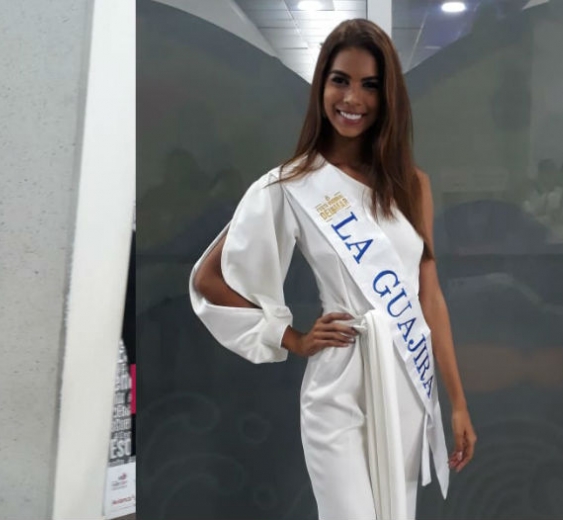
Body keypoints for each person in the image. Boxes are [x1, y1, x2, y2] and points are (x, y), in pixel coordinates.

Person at [189, 19, 476, 520]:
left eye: (370, 85)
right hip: (338, 382)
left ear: (388, 97)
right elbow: (208, 282)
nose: (353, 98)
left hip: (406, 376)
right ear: (322, 84)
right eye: (340, 79)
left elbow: (428, 298)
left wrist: (457, 401)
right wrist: (291, 337)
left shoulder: (411, 184)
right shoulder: (291, 185)